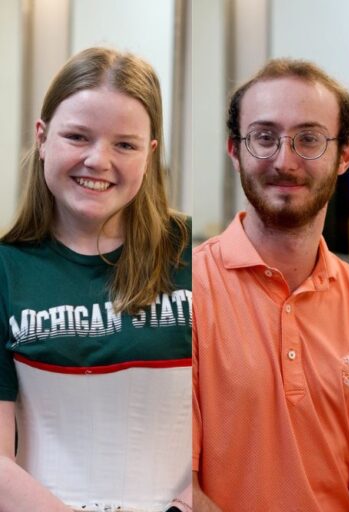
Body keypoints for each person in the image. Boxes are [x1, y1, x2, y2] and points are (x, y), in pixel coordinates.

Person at [0, 47, 192, 512]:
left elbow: (237, 426)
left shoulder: (197, 257)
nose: (97, 160)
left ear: (149, 154)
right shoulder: (6, 269)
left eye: (124, 144)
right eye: (77, 137)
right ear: (42, 138)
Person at [192, 58, 349, 512]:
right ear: (235, 150)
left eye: (309, 139)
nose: (285, 160)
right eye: (264, 137)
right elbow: (180, 489)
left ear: (345, 155)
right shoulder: (186, 291)